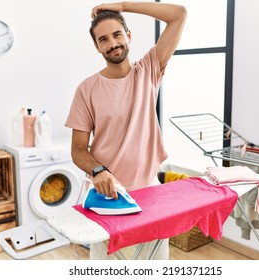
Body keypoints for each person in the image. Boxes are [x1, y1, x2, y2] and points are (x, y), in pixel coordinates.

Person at [65, 1, 186, 260]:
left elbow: (179, 15)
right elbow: (77, 150)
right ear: (97, 47)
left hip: (149, 191)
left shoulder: (149, 71)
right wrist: (99, 172)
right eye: (104, 39)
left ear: (129, 36)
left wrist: (122, 5)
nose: (113, 43)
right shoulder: (86, 90)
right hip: (106, 196)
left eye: (117, 34)